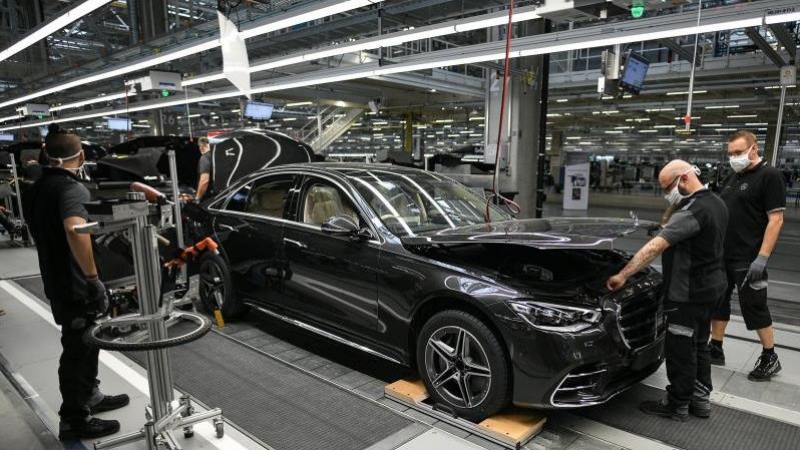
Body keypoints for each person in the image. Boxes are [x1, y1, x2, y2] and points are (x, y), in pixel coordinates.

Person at [22, 129, 129, 441]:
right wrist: (93, 279)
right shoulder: (71, 188)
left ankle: (89, 396)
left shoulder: (35, 188)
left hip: (54, 276)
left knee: (85, 340)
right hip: (74, 281)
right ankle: (73, 417)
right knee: (77, 346)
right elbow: (74, 229)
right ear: (80, 155)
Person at [607, 159, 728, 421]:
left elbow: (653, 248)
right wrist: (668, 225)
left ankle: (677, 404)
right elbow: (698, 235)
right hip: (712, 287)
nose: (666, 194)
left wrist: (622, 275)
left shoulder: (692, 210)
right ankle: (701, 400)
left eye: (667, 187)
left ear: (684, 179)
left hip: (686, 293)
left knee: (680, 348)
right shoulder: (716, 202)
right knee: (700, 344)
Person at [710, 131, 786, 381]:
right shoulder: (734, 176)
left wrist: (762, 258)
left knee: (754, 305)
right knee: (718, 300)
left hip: (749, 256)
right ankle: (716, 346)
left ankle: (770, 356)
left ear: (754, 149)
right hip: (723, 254)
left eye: (738, 153)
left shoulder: (770, 176)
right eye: (730, 153)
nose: (734, 157)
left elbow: (776, 220)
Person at [194, 137, 213, 201]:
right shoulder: (215, 155)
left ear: (201, 147)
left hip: (208, 197)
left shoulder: (204, 158)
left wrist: (197, 198)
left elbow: (204, 181)